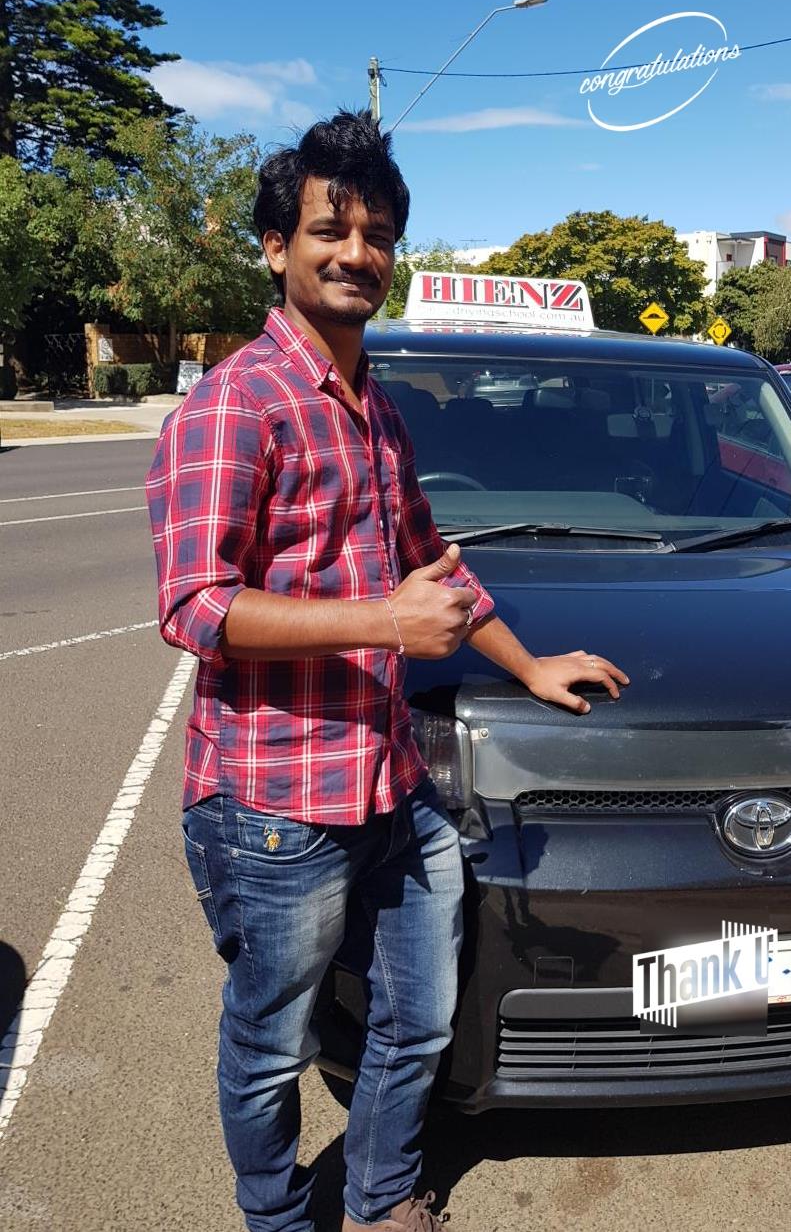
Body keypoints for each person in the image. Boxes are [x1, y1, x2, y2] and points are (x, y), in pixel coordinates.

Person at [146, 109, 628, 1232]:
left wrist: (528, 664)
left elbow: (430, 563)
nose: (356, 253)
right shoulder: (234, 406)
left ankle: (376, 1198)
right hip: (273, 803)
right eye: (330, 230)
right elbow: (192, 606)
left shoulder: (376, 410)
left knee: (416, 1018)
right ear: (276, 246)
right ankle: (277, 1217)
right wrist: (382, 621)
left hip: (389, 783)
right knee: (271, 1045)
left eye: (377, 235)